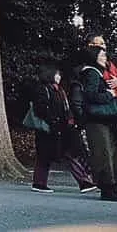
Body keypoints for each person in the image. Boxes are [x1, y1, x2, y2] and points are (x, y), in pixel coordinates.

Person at [71, 45, 117, 202]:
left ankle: (113, 187)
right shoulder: (92, 73)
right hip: (98, 119)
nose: (105, 58)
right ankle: (109, 188)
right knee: (105, 153)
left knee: (108, 152)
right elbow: (91, 95)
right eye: (102, 55)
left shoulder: (91, 72)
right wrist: (109, 94)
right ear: (94, 57)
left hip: (99, 119)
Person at [28, 65, 95, 194]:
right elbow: (41, 109)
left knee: (68, 154)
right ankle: (39, 183)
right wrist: (53, 121)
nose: (59, 77)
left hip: (61, 129)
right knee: (46, 156)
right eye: (57, 74)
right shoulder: (44, 89)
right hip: (49, 130)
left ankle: (84, 181)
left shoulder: (59, 90)